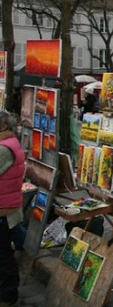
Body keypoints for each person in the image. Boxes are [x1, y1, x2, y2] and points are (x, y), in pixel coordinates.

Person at [0, 112, 25, 306]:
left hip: (4, 210)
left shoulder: (5, 149)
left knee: (3, 255)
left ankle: (8, 296)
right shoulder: (10, 144)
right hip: (6, 207)